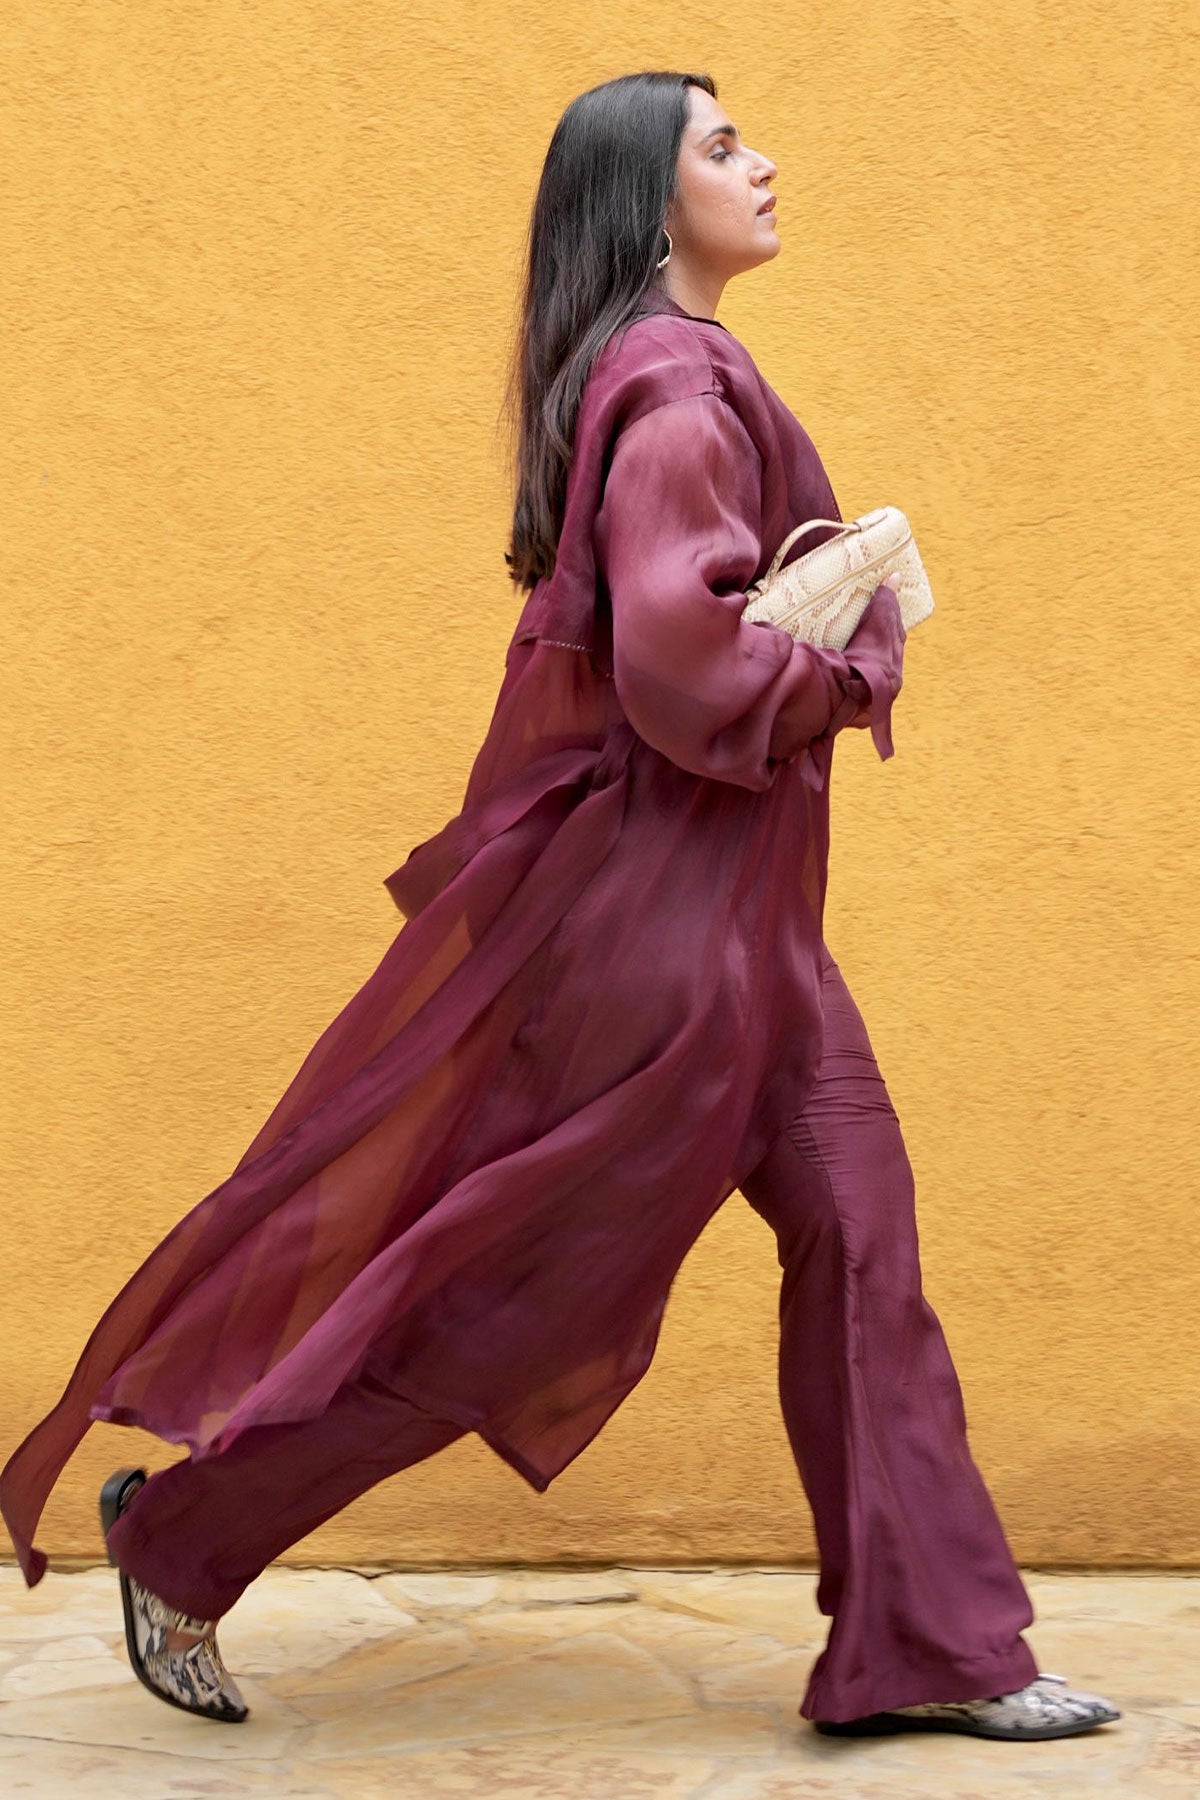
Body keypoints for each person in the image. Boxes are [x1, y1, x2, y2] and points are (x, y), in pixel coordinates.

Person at [1, 70, 1120, 1744]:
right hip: (664, 952)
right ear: (648, 203)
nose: (763, 163)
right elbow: (687, 667)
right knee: (511, 1303)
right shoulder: (675, 390)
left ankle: (930, 1651)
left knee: (860, 1242)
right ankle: (181, 1535)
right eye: (723, 147)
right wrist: (859, 653)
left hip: (738, 933)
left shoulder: (673, 372)